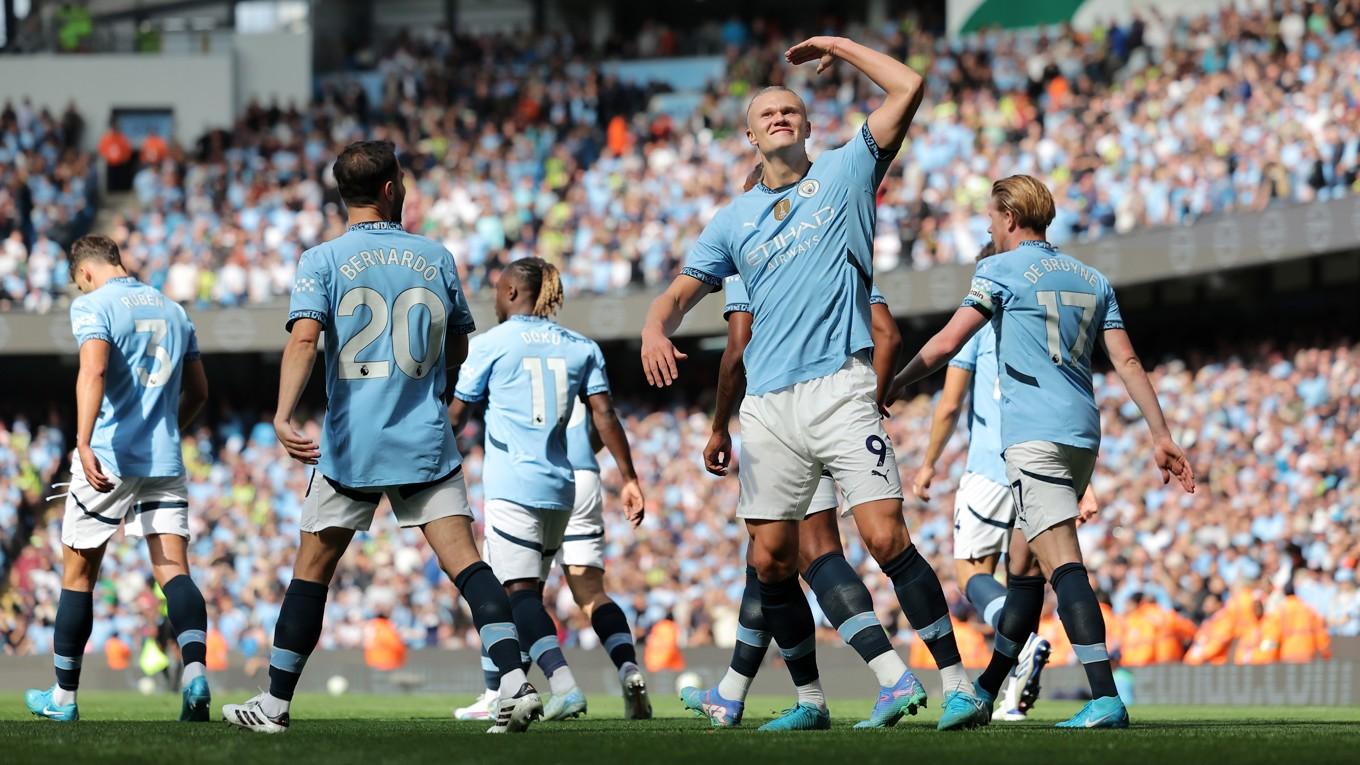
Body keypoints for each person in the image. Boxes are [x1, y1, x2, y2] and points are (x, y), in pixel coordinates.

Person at [641, 36, 989, 731]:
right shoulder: (730, 221)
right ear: (747, 134)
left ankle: (958, 684)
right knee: (772, 558)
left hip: (839, 385)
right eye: (767, 111)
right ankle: (814, 700)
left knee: (885, 536)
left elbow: (910, 87)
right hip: (768, 407)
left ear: (807, 125)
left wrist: (837, 45)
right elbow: (677, 296)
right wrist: (656, 326)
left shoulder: (845, 170)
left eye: (791, 109)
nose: (780, 116)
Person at [222, 141, 541, 735]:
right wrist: (438, 393)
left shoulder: (321, 259)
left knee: (311, 572)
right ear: (392, 188)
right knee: (468, 566)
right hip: (422, 438)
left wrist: (283, 414)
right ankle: (515, 680)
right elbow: (460, 347)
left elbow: (303, 341)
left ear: (345, 193)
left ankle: (275, 704)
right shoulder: (436, 256)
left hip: (351, 446)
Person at [886, 174, 1196, 729]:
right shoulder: (1092, 277)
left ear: (1008, 217)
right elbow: (1126, 362)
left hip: (1034, 440)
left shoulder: (998, 269)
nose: (985, 225)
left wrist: (892, 384)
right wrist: (1160, 433)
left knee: (1062, 563)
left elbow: (946, 343)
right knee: (1024, 569)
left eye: (988, 216)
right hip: (1082, 435)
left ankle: (1105, 696)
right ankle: (984, 693)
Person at [681, 160, 926, 730]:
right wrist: (872, 394)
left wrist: (718, 424)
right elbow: (886, 331)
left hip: (783, 405)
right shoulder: (832, 245)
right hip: (836, 394)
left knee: (802, 555)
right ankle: (735, 692)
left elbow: (737, 348)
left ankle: (872, 680)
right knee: (769, 558)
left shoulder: (751, 249)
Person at [450, 257, 646, 723]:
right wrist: (631, 477)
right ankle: (507, 692)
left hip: (513, 486)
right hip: (565, 485)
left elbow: (457, 414)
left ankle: (561, 685)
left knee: (513, 595)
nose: (494, 299)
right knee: (529, 595)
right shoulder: (582, 347)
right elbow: (604, 415)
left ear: (515, 293)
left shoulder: (492, 344)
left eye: (498, 291)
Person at [25, 235, 211, 723]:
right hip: (164, 460)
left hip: (108, 459)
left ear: (84, 273)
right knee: (174, 571)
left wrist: (83, 442)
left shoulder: (95, 305)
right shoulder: (173, 309)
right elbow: (199, 391)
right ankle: (195, 676)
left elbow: (94, 371)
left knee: (78, 575)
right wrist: (171, 429)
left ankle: (63, 698)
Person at [913, 239, 1098, 721]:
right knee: (1025, 577)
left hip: (990, 468)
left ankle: (1020, 651)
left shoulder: (978, 325)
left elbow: (950, 403)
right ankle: (1006, 690)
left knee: (971, 572)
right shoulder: (1038, 321)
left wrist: (929, 464)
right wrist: (1085, 483)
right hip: (1045, 460)